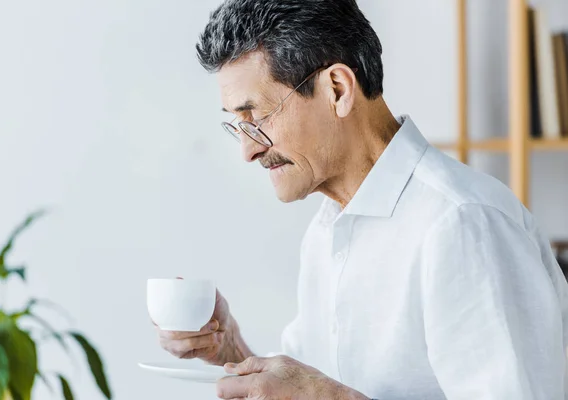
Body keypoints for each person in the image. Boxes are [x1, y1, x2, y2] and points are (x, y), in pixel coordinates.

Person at [156, 0, 568, 398]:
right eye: (237, 125)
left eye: (257, 117)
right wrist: (232, 349)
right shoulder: (327, 229)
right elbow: (306, 388)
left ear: (337, 89)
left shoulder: (462, 224)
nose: (248, 151)